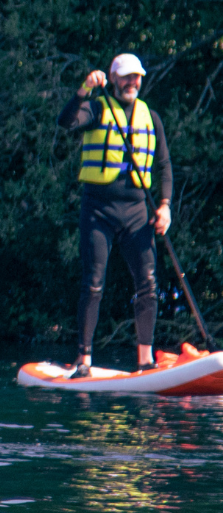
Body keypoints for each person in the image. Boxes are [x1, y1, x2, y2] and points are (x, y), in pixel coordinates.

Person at [58, 53, 173, 376]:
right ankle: (83, 360)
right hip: (99, 210)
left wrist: (164, 206)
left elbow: (164, 165)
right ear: (113, 79)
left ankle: (145, 361)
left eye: (136, 77)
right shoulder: (96, 109)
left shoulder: (151, 117)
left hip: (137, 213)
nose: (132, 82)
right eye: (125, 77)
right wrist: (83, 90)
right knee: (93, 284)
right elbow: (65, 121)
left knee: (148, 284)